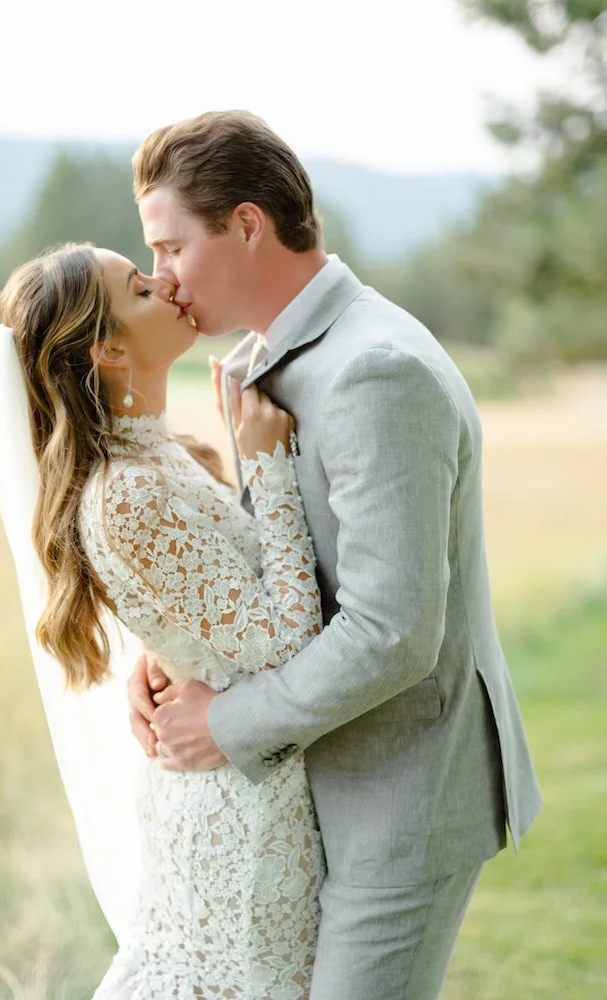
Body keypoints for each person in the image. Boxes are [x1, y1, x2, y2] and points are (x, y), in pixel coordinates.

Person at [127, 110, 543, 1000]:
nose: (161, 281)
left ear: (247, 224)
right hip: (318, 788)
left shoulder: (373, 369)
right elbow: (279, 566)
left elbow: (393, 632)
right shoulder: (266, 357)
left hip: (402, 799)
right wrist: (176, 658)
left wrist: (225, 724)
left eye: (169, 249)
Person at [0, 242, 326, 999]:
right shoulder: (126, 493)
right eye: (141, 288)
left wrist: (164, 649)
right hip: (239, 827)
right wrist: (267, 467)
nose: (168, 284)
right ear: (108, 348)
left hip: (253, 783)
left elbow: (210, 607)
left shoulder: (161, 454)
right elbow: (287, 643)